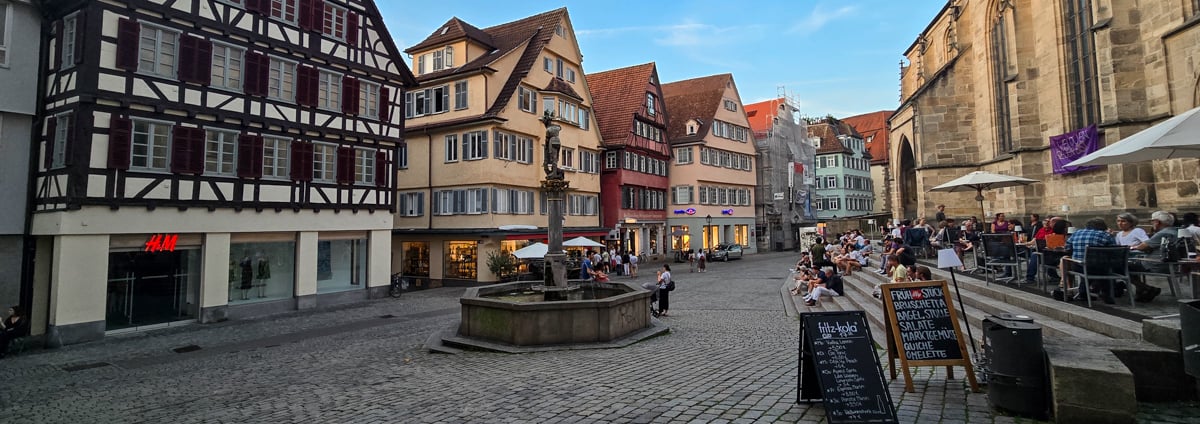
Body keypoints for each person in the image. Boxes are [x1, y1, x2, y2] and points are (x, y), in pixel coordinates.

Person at [1061, 218, 1117, 303]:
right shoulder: (1106, 235)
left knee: (1085, 268)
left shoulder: (1077, 233)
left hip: (1079, 266)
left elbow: (1067, 248)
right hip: (1099, 267)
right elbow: (1114, 250)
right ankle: (1106, 294)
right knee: (1104, 269)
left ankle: (1084, 293)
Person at [1128, 211, 1178, 302]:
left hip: (1156, 264)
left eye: (1152, 222)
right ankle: (1141, 290)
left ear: (1157, 222)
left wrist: (1133, 247)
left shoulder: (1162, 233)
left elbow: (1142, 247)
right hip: (1175, 265)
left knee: (1121, 266)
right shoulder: (1176, 231)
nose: (1151, 224)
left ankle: (1145, 288)